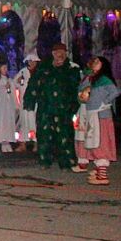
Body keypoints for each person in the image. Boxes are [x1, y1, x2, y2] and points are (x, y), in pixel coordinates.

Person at [23, 42, 81, 170]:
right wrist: (29, 100)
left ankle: (67, 162)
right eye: (56, 53)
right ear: (53, 54)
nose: (59, 55)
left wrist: (74, 106)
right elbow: (33, 84)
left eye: (62, 53)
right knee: (44, 136)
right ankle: (45, 161)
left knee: (65, 136)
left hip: (63, 109)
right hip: (46, 108)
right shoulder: (44, 68)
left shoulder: (72, 69)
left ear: (65, 53)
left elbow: (76, 89)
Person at [72, 56, 119, 185]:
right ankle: (99, 172)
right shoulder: (91, 79)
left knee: (100, 143)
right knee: (93, 141)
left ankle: (102, 174)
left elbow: (115, 92)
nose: (94, 63)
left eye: (97, 62)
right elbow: (82, 93)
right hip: (91, 114)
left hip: (101, 116)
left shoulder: (104, 79)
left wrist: (104, 102)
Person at [13, 52, 40, 152]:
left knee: (36, 122)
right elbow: (14, 83)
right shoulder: (23, 72)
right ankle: (23, 143)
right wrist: (18, 81)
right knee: (24, 122)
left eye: (34, 61)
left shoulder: (39, 73)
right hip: (24, 101)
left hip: (36, 102)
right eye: (30, 61)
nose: (32, 63)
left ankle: (36, 144)